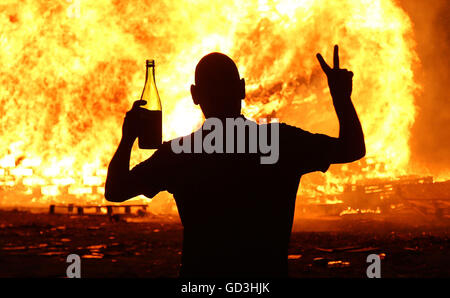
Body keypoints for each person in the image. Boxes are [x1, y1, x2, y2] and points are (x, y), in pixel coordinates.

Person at [105, 45, 365, 278]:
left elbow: (116, 191)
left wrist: (128, 137)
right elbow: (352, 148)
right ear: (241, 89)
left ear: (195, 96)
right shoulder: (279, 141)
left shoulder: (181, 153)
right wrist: (341, 98)